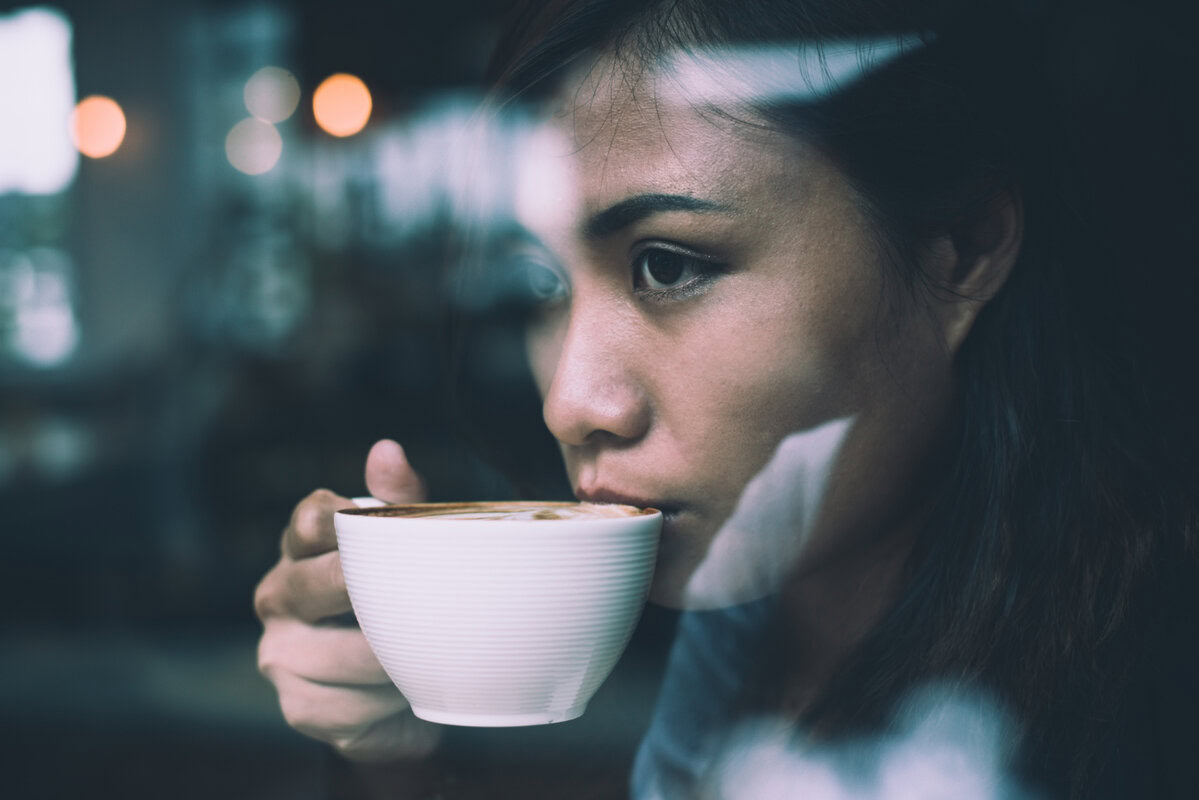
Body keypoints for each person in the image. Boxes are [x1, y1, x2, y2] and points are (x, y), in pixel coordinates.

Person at [254, 1, 1199, 797]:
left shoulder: (1147, 702)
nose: (573, 403)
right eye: (539, 285)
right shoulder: (743, 624)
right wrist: (393, 756)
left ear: (959, 249)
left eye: (668, 265)